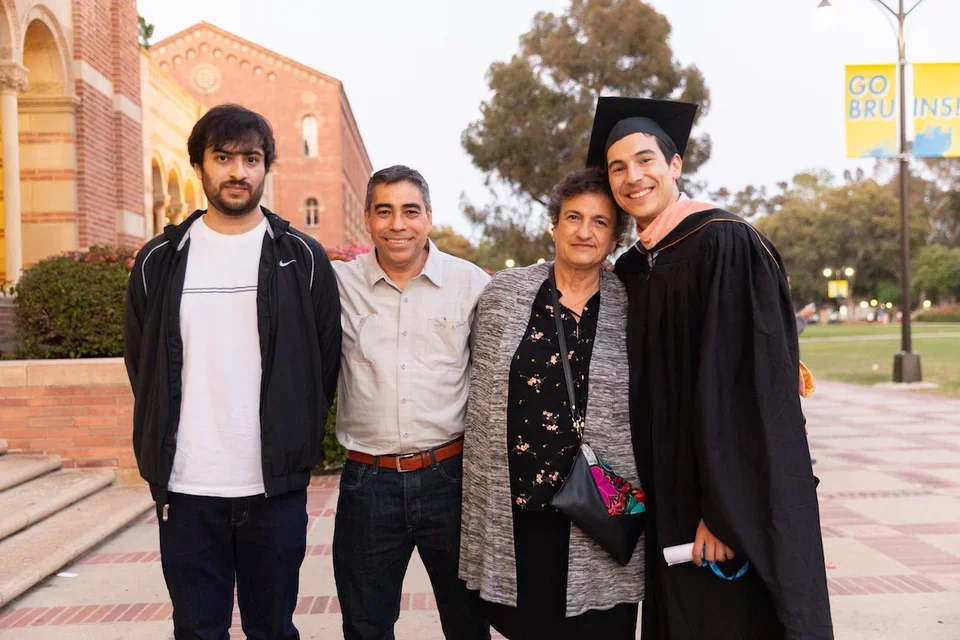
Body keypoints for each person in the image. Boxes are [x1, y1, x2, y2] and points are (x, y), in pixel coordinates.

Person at [588, 97, 833, 639]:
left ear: (675, 165)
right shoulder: (633, 267)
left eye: (646, 160)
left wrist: (724, 514)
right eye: (618, 168)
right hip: (665, 492)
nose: (633, 177)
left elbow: (747, 390)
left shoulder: (725, 242)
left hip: (721, 504)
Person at [124, 104, 341, 639]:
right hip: (187, 487)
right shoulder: (158, 260)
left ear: (267, 166)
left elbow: (323, 364)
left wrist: (296, 445)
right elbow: (142, 365)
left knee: (274, 630)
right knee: (197, 630)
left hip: (273, 489)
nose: (238, 171)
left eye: (251, 158)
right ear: (199, 166)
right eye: (222, 158)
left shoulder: (303, 257)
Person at [460, 167, 644, 639]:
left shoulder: (634, 304)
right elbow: (480, 398)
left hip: (600, 508)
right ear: (554, 225)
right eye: (573, 217)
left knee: (602, 628)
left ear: (616, 237)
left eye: (600, 222)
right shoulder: (506, 293)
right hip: (522, 508)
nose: (585, 231)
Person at [331, 165, 491, 640]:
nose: (397, 224)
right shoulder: (337, 285)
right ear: (367, 219)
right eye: (384, 212)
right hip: (367, 484)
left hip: (451, 480)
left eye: (410, 211)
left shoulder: (470, 284)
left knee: (468, 625)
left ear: (429, 217)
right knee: (365, 626)